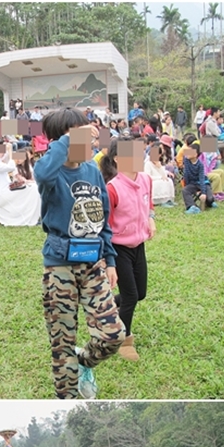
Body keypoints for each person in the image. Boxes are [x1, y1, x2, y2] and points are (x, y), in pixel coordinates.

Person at [34, 108, 126, 399]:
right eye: (80, 134)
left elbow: (103, 218)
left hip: (92, 264)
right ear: (61, 140)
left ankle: (83, 362)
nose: (89, 138)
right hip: (59, 266)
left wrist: (109, 259)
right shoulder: (50, 171)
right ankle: (68, 399)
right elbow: (42, 172)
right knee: (62, 344)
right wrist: (64, 143)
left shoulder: (91, 170)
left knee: (114, 335)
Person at [99, 139, 155, 362]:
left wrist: (151, 219)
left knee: (140, 293)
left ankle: (106, 306)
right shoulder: (112, 188)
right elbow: (103, 225)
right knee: (131, 296)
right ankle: (123, 340)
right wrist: (106, 259)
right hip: (118, 248)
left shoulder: (146, 180)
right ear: (117, 159)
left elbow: (149, 204)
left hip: (138, 245)